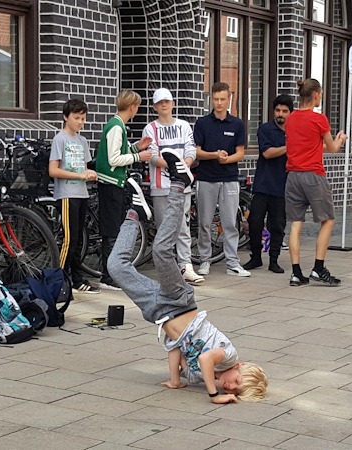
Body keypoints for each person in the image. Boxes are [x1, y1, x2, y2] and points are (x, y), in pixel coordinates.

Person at [107, 154, 268, 404]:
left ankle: (135, 212)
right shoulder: (226, 355)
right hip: (179, 301)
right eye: (237, 381)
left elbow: (176, 345)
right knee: (161, 252)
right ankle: (180, 183)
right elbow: (205, 358)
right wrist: (214, 394)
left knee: (116, 267)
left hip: (159, 310)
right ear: (242, 366)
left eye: (232, 391)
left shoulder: (199, 375)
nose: (229, 386)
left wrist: (175, 379)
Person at [284, 78, 347, 287]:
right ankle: (318, 268)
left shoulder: (291, 119)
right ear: (317, 95)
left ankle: (295, 273)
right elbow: (332, 148)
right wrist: (340, 139)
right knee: (328, 220)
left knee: (296, 224)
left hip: (292, 175)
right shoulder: (319, 119)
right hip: (313, 174)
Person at [142, 88, 204, 285]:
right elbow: (152, 156)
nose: (164, 105)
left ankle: (186, 266)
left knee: (183, 226)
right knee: (164, 229)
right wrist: (174, 165)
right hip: (161, 185)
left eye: (167, 101)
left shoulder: (184, 126)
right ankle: (166, 269)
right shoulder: (150, 128)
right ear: (155, 107)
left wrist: (183, 164)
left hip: (182, 186)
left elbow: (191, 150)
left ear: (173, 103)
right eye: (160, 103)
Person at [95, 90, 153, 291]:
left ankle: (110, 274)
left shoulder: (117, 125)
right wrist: (139, 157)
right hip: (111, 183)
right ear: (132, 107)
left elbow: (120, 152)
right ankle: (108, 276)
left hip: (112, 183)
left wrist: (137, 148)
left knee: (114, 229)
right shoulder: (116, 127)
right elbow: (114, 159)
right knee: (111, 230)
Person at [194, 82, 249, 277]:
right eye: (215, 99)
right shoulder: (202, 123)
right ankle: (204, 260)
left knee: (229, 223)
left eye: (222, 99)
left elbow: (240, 153)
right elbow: (198, 152)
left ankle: (233, 263)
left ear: (229, 99)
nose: (219, 103)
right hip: (206, 178)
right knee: (205, 223)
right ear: (211, 99)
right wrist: (215, 155)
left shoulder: (237, 124)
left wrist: (226, 159)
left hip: (229, 178)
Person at [49, 99, 100, 294]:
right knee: (69, 239)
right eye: (76, 118)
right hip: (67, 195)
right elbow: (53, 170)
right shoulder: (59, 139)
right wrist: (79, 175)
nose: (80, 122)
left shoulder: (82, 141)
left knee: (79, 239)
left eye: (83, 118)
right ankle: (58, 279)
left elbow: (84, 167)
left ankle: (77, 279)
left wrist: (89, 174)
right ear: (65, 117)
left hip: (82, 193)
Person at [244, 94, 293, 274]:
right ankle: (256, 257)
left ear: (290, 113)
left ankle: (274, 260)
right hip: (263, 184)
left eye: (285, 111)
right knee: (255, 222)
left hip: (283, 185)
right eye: (278, 110)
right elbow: (267, 153)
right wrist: (289, 146)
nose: (280, 114)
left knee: (278, 225)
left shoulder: (294, 131)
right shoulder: (265, 129)